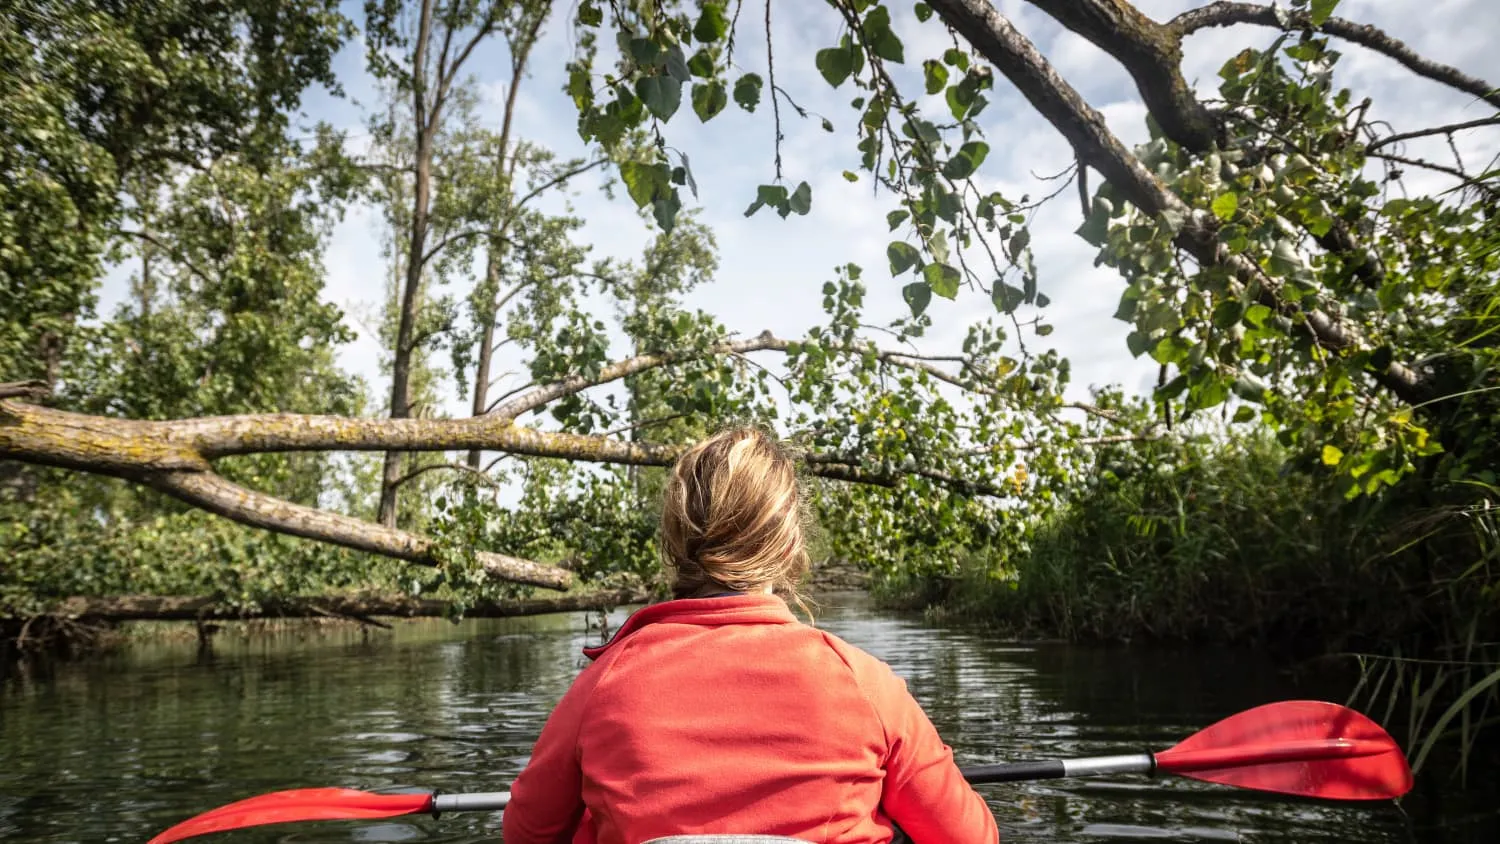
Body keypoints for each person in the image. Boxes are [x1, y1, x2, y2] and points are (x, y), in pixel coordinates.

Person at [502, 427, 998, 844]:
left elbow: (526, 833)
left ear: (676, 541)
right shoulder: (867, 686)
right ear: (789, 544)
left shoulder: (602, 685)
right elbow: (972, 839)